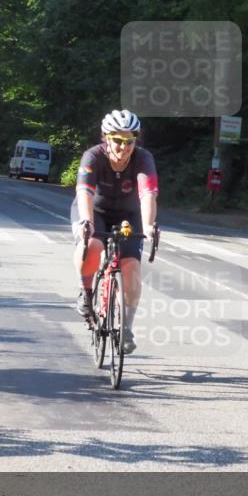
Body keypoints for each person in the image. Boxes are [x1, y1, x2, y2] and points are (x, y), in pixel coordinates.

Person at [72, 109, 159, 354]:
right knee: (92, 245)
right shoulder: (93, 156)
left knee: (131, 266)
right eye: (118, 140)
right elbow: (84, 192)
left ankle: (126, 328)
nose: (124, 147)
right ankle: (86, 292)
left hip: (128, 216)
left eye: (129, 141)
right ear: (106, 138)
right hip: (94, 210)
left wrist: (149, 225)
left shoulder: (143, 159)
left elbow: (147, 194)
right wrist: (87, 221)